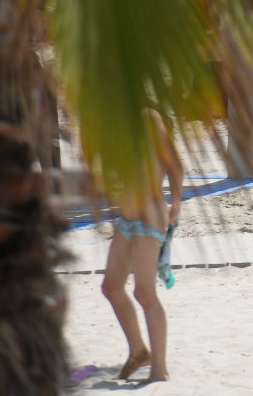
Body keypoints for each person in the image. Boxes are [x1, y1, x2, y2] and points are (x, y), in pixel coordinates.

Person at [101, 110, 183, 383]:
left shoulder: (149, 118)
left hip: (149, 218)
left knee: (145, 293)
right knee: (111, 287)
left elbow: (175, 165)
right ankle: (139, 351)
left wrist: (177, 205)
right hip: (126, 219)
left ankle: (160, 369)